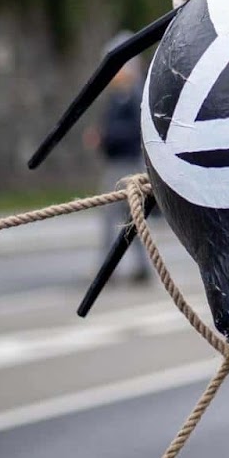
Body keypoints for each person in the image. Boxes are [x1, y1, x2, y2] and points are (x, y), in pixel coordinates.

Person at [85, 38, 149, 283]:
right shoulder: (116, 97)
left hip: (127, 165)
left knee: (115, 217)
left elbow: (135, 130)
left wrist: (105, 136)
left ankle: (107, 268)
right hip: (116, 162)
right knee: (129, 220)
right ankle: (137, 266)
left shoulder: (133, 96)